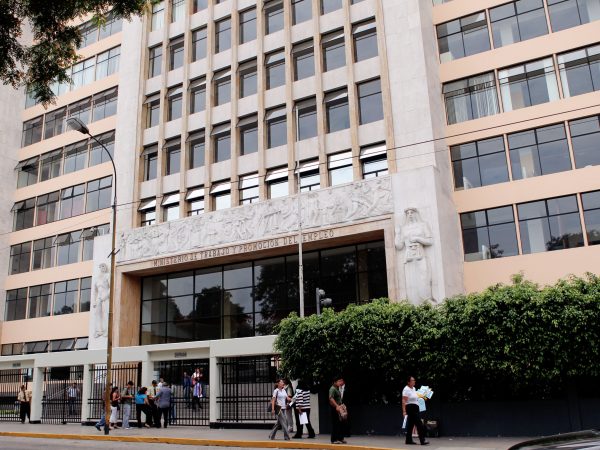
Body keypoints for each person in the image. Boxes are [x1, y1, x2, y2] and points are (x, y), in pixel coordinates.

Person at [402, 376, 429, 446]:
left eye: (414, 380)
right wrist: (404, 411)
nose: (414, 381)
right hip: (410, 408)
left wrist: (423, 397)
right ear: (408, 382)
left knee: (410, 424)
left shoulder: (413, 388)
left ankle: (408, 440)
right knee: (419, 424)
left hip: (415, 407)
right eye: (412, 380)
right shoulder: (406, 389)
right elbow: (404, 401)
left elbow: (415, 398)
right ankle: (422, 440)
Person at [329, 376, 347, 444]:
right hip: (335, 408)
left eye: (341, 381)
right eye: (339, 381)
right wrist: (337, 406)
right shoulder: (332, 389)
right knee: (335, 424)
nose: (340, 382)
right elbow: (331, 398)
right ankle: (334, 439)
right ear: (335, 382)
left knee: (341, 423)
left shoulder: (337, 388)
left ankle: (340, 438)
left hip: (339, 408)